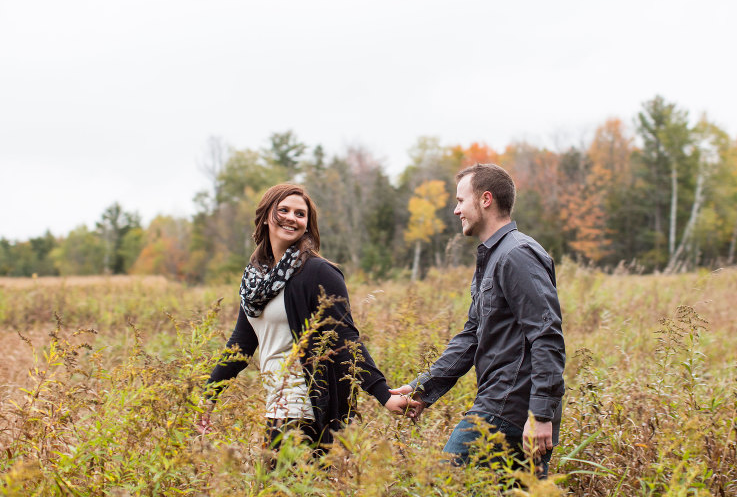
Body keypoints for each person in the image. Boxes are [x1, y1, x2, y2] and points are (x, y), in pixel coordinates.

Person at [197, 183, 409, 450]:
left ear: (307, 225)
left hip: (306, 406)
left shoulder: (318, 272)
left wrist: (383, 394)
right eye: (283, 210)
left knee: (282, 475)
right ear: (265, 217)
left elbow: (345, 340)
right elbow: (240, 345)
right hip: (276, 406)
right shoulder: (255, 279)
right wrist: (209, 395)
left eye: (300, 214)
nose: (291, 218)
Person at [390, 163, 566, 479]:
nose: (456, 210)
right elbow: (472, 336)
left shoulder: (517, 254)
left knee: (445, 482)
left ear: (485, 199)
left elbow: (547, 335)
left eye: (461, 201)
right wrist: (422, 388)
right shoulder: (494, 256)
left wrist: (541, 414)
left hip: (509, 408)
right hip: (505, 407)